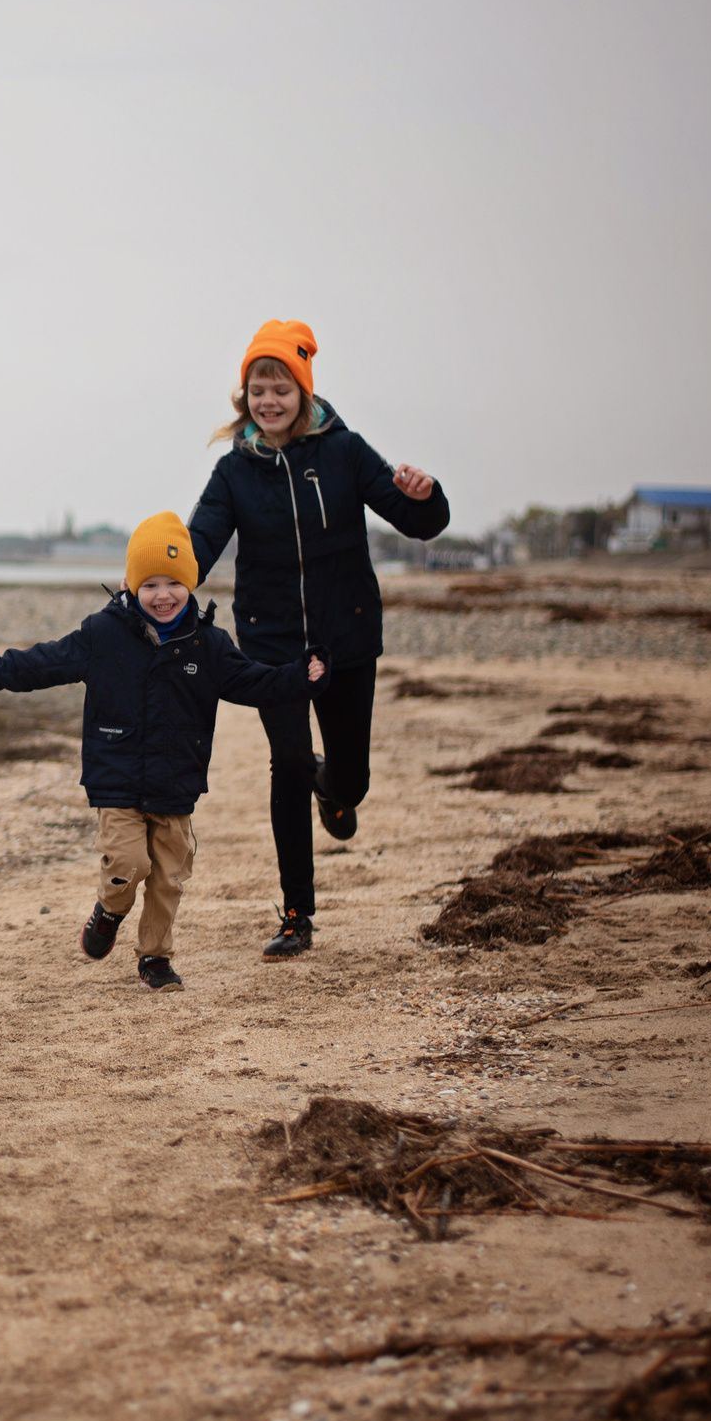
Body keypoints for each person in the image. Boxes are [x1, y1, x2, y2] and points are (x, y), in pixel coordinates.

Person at [0, 513, 325, 991]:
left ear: (190, 584)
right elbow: (46, 663)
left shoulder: (209, 645)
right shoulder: (103, 634)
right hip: (119, 776)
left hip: (177, 781)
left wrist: (302, 674)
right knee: (129, 865)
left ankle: (155, 957)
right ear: (130, 584)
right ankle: (109, 911)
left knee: (169, 878)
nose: (162, 595)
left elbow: (256, 681)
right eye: (149, 583)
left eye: (173, 582)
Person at [186, 320, 449, 961]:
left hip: (347, 638)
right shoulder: (234, 472)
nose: (267, 401)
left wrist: (427, 496)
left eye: (279, 388)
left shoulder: (345, 452)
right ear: (244, 397)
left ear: (303, 391)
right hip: (272, 647)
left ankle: (336, 793)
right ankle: (297, 915)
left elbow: (418, 523)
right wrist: (160, 570)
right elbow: (198, 545)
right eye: (257, 389)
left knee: (348, 778)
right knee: (289, 765)